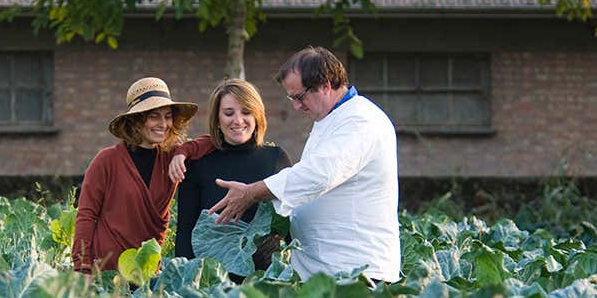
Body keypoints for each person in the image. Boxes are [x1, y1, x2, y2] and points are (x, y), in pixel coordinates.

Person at [208, 46, 400, 282]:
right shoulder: (331, 118)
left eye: (299, 97)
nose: (296, 106)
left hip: (357, 271)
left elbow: (319, 175)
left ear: (326, 85)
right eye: (292, 98)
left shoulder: (361, 121)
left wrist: (251, 193)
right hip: (327, 269)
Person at [72, 77, 216, 274]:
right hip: (106, 273)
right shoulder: (106, 160)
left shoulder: (170, 157)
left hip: (147, 274)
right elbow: (86, 215)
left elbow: (212, 141)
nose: (163, 124)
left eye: (167, 116)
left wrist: (182, 152)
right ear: (136, 120)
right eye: (154, 116)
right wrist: (82, 268)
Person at [170, 78, 291, 273]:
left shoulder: (276, 158)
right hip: (213, 281)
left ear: (257, 116)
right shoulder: (198, 163)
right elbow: (185, 230)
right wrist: (188, 279)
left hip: (264, 279)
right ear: (217, 119)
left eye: (246, 112)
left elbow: (291, 224)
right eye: (228, 113)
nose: (238, 120)